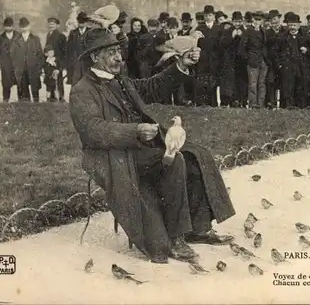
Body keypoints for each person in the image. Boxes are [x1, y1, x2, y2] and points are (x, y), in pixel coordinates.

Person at [69, 28, 235, 264]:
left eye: (118, 51)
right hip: (114, 156)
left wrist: (181, 66)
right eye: (111, 53)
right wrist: (133, 131)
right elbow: (92, 130)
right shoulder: (82, 91)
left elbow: (152, 87)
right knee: (173, 162)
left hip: (140, 150)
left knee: (195, 156)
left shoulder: (120, 80)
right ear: (95, 57)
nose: (119, 57)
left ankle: (198, 228)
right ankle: (176, 238)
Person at [274, 13, 310, 109]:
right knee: (287, 88)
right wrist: (280, 65)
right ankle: (288, 107)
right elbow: (275, 52)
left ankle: (300, 108)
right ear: (287, 26)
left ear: (298, 26)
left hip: (301, 67)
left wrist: (307, 50)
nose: (292, 28)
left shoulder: (305, 37)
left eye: (294, 25)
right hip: (287, 67)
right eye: (290, 25)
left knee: (300, 88)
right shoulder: (282, 38)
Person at [239, 11, 269, 108]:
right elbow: (241, 48)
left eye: (259, 20)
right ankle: (253, 104)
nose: (257, 21)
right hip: (252, 61)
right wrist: (248, 59)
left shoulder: (263, 31)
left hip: (263, 61)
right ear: (252, 19)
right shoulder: (248, 31)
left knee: (261, 83)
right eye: (256, 19)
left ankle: (260, 104)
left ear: (262, 21)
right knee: (252, 84)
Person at [10, 17, 43, 102]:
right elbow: (12, 55)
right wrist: (16, 67)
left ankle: (36, 108)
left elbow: (40, 55)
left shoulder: (35, 39)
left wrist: (39, 69)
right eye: (22, 26)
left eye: (25, 25)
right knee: (22, 91)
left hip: (33, 69)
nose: (24, 28)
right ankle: (23, 109)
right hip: (20, 69)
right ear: (19, 27)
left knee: (35, 91)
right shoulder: (15, 40)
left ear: (29, 26)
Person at [218, 11, 246, 107]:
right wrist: (232, 36)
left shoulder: (245, 31)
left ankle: (239, 101)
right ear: (232, 21)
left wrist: (242, 36)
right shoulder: (228, 31)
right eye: (235, 22)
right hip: (230, 60)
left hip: (241, 60)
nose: (237, 24)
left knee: (240, 81)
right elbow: (222, 44)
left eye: (239, 22)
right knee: (230, 81)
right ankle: (230, 100)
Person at [195, 5, 221, 106]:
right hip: (203, 59)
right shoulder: (199, 28)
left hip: (214, 60)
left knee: (213, 82)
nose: (208, 17)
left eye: (210, 15)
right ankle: (202, 103)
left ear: (213, 16)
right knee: (202, 81)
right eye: (206, 15)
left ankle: (213, 103)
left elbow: (220, 46)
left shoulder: (218, 28)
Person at [265, 9, 285, 109]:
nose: (274, 21)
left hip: (282, 62)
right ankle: (271, 103)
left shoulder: (285, 31)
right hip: (271, 63)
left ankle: (282, 105)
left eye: (275, 18)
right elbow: (265, 48)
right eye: (272, 19)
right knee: (271, 82)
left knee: (283, 83)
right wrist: (268, 61)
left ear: (279, 18)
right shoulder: (267, 33)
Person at [0, 17, 18, 103]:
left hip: (17, 64)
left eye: (10, 26)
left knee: (20, 82)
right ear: (4, 26)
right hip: (5, 64)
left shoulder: (18, 36)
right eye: (6, 26)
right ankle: (5, 100)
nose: (8, 28)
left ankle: (22, 100)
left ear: (13, 26)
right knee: (6, 83)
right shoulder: (0, 38)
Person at [45, 17, 67, 102]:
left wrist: (60, 64)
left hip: (57, 62)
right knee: (50, 80)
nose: (51, 26)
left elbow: (64, 52)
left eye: (53, 24)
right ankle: (52, 98)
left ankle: (61, 98)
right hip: (49, 62)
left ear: (57, 25)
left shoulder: (61, 36)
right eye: (50, 24)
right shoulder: (48, 35)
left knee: (58, 80)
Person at [67, 12, 90, 86]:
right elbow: (69, 49)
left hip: (88, 63)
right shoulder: (73, 33)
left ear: (86, 22)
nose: (81, 24)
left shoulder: (91, 32)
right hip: (76, 63)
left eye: (83, 22)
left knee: (88, 83)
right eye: (80, 22)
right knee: (75, 83)